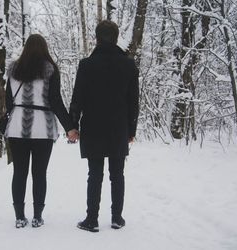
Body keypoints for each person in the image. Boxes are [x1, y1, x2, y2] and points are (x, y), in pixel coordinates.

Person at [69, 20, 139, 232]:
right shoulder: (128, 65)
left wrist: (72, 126)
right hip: (119, 127)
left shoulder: (86, 65)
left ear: (97, 38)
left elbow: (77, 99)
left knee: (95, 173)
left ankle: (92, 220)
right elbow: (133, 101)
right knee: (117, 174)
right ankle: (117, 218)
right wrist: (131, 130)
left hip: (93, 126)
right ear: (116, 38)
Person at [4, 34, 79, 228]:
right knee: (39, 173)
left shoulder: (14, 70)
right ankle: (37, 216)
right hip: (42, 129)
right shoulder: (50, 70)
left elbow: (8, 102)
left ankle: (20, 216)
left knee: (19, 173)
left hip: (17, 128)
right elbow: (55, 101)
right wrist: (70, 127)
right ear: (44, 48)